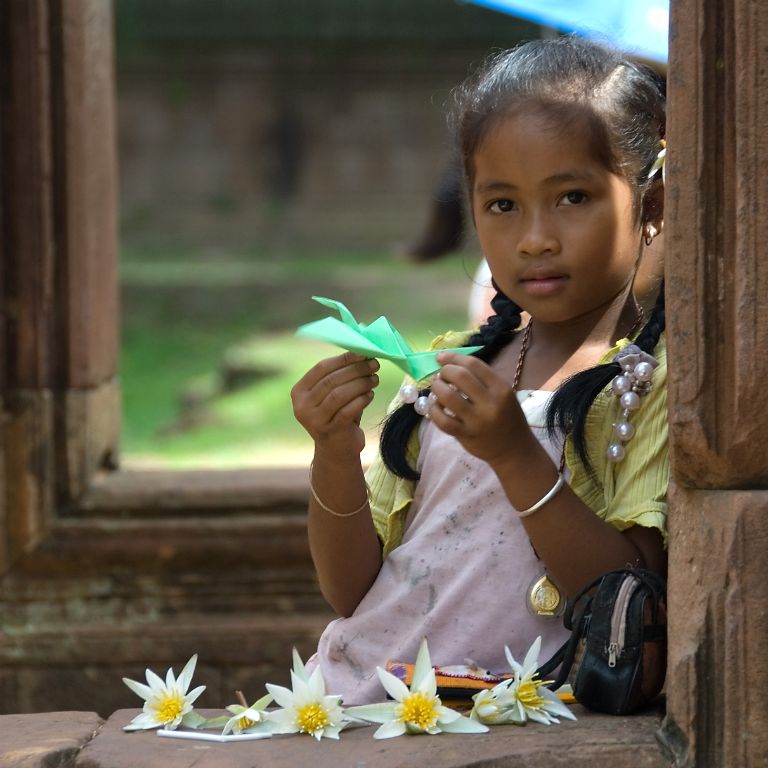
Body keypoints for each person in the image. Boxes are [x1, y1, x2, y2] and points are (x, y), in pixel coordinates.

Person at [291, 36, 668, 705]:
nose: (535, 239)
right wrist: (334, 452)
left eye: (572, 197)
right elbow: (350, 592)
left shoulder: (650, 383)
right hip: (360, 701)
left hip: (509, 718)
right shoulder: (448, 367)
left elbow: (627, 601)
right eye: (503, 205)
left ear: (653, 207)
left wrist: (515, 455)